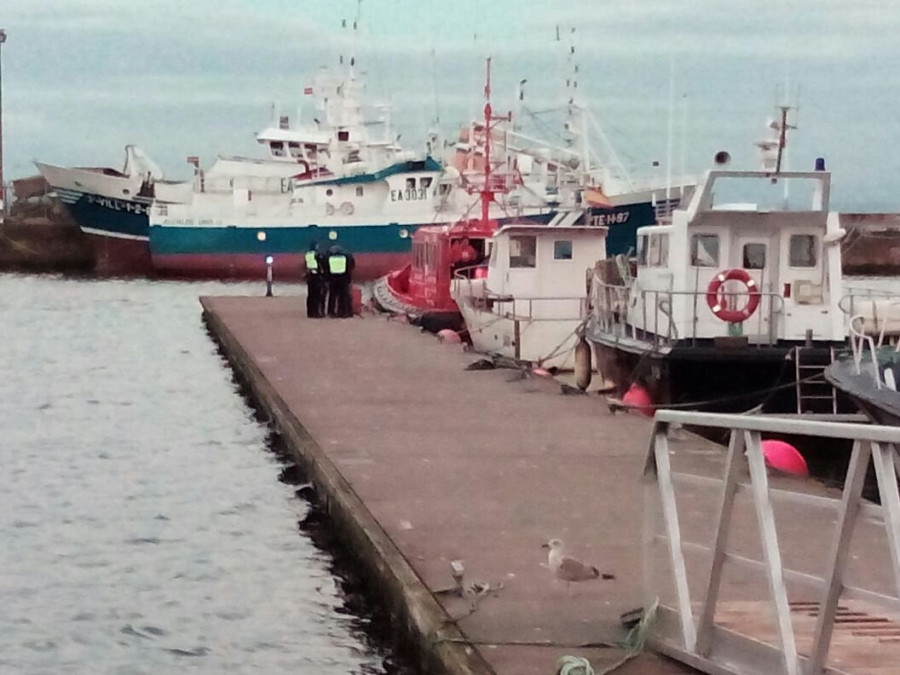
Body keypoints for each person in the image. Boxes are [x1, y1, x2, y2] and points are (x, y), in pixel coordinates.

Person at [326, 244, 355, 318]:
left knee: (332, 296)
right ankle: (343, 312)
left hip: (333, 278)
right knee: (343, 296)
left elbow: (326, 268)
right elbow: (351, 267)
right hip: (343, 279)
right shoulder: (346, 257)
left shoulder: (329, 258)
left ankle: (331, 312)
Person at [304, 241, 326, 318]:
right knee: (317, 295)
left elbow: (305, 264)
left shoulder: (307, 254)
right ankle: (316, 312)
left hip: (309, 275)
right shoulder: (317, 255)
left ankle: (310, 312)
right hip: (316, 276)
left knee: (310, 295)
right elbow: (322, 264)